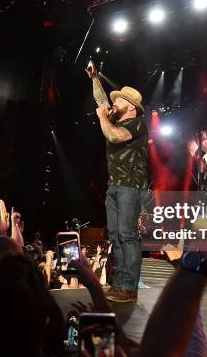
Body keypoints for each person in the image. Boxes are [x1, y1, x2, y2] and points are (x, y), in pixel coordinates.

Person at [86, 61, 149, 303]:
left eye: (120, 101)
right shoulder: (117, 117)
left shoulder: (136, 124)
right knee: (115, 235)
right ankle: (120, 284)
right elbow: (102, 102)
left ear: (131, 107)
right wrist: (94, 79)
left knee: (127, 235)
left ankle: (129, 287)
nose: (114, 104)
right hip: (115, 186)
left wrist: (103, 119)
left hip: (131, 187)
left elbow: (113, 134)